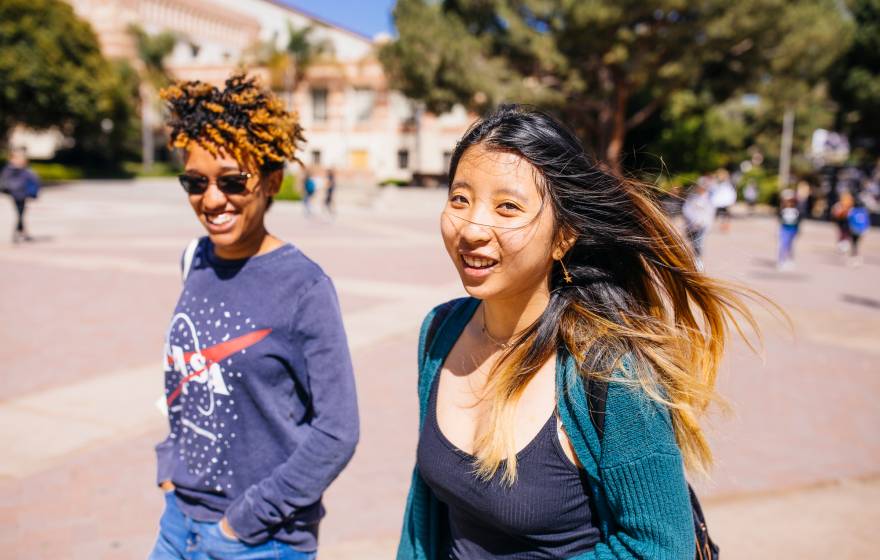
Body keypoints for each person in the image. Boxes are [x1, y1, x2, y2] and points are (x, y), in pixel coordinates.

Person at [398, 105, 760, 559]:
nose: (472, 228)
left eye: (507, 207)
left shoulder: (611, 372)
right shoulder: (440, 331)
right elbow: (425, 507)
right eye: (459, 199)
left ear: (564, 236)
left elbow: (660, 548)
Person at [149, 74, 359, 560]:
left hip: (257, 542)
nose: (212, 199)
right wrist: (169, 463)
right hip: (177, 524)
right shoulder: (195, 259)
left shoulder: (305, 288)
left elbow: (338, 431)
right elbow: (190, 375)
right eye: (195, 182)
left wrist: (241, 522)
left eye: (231, 181)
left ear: (270, 181)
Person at [0, 148, 40, 243]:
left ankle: (22, 232)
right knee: (20, 214)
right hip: (16, 193)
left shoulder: (22, 169)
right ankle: (18, 232)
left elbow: (33, 179)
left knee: (21, 213)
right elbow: (6, 181)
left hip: (21, 193)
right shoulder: (11, 169)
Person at [681, 178, 715, 270]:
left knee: (699, 243)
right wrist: (693, 221)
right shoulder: (692, 197)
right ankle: (694, 259)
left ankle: (698, 261)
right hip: (692, 226)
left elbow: (710, 213)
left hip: (703, 226)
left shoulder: (709, 198)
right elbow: (686, 209)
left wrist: (704, 223)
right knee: (692, 242)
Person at [777, 189, 801, 270]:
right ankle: (781, 260)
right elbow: (780, 218)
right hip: (784, 229)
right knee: (783, 244)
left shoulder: (796, 211)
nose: (789, 203)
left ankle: (789, 259)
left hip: (792, 229)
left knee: (790, 245)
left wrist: (798, 230)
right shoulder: (783, 210)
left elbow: (798, 221)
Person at [847, 198, 870, 265]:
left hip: (855, 229)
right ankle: (855, 252)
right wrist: (866, 228)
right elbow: (867, 221)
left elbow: (849, 219)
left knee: (854, 242)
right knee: (856, 242)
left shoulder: (853, 211)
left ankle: (854, 252)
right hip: (859, 230)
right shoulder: (864, 211)